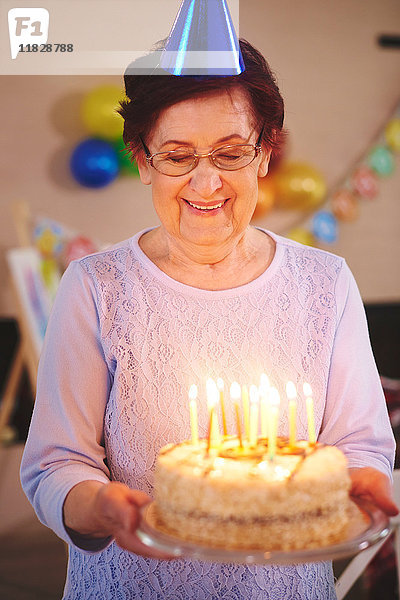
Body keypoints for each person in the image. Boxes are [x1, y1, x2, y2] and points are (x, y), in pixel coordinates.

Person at [21, 39, 397, 599]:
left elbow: (361, 444)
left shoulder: (325, 282)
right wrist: (98, 505)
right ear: (143, 159)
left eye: (230, 153)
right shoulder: (97, 286)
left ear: (266, 152)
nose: (206, 184)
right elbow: (56, 465)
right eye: (176, 156)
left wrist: (362, 477)